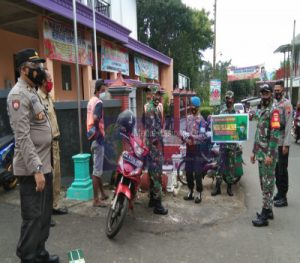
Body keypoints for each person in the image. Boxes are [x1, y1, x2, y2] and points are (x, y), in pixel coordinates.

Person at [7, 48, 59, 263]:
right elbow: (23, 137)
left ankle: (40, 252)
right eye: (36, 66)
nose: (40, 70)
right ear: (24, 69)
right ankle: (28, 256)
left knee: (44, 215)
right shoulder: (18, 95)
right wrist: (37, 169)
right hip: (31, 169)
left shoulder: (32, 92)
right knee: (32, 217)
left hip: (43, 165)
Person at [37, 70, 68, 227]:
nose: (51, 83)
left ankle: (54, 206)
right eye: (49, 80)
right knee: (47, 179)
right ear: (43, 81)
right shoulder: (38, 99)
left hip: (55, 142)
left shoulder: (49, 98)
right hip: (46, 146)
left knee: (56, 176)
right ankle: (45, 213)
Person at [250, 84, 280, 227]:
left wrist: (270, 155)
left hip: (268, 155)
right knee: (264, 183)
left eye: (266, 93)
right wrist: (254, 152)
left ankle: (264, 214)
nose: (263, 96)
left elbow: (275, 135)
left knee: (267, 184)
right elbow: (258, 134)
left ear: (271, 94)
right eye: (262, 93)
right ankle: (269, 211)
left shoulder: (274, 111)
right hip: (261, 154)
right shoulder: (262, 110)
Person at [211, 90, 241, 196]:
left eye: (230, 98)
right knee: (220, 165)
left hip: (232, 145)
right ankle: (217, 187)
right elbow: (217, 124)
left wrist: (240, 141)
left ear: (233, 99)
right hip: (223, 144)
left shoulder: (236, 113)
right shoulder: (222, 112)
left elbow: (239, 128)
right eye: (227, 98)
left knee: (231, 166)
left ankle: (229, 187)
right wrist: (212, 120)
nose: (229, 100)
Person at [144, 89, 168, 215]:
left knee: (152, 173)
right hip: (154, 147)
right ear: (152, 95)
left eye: (160, 95)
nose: (159, 97)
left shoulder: (153, 108)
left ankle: (152, 200)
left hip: (152, 146)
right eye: (157, 94)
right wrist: (158, 146)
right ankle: (158, 205)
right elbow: (153, 132)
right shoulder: (151, 110)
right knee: (157, 175)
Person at [86, 79, 108, 207]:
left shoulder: (91, 101)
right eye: (104, 89)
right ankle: (96, 200)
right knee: (96, 170)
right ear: (100, 89)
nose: (105, 91)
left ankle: (102, 194)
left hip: (91, 136)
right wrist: (99, 132)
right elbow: (95, 118)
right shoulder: (98, 102)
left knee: (97, 167)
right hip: (98, 138)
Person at [272, 80, 293, 207]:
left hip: (282, 143)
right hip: (274, 143)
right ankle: (279, 193)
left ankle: (284, 197)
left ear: (283, 91)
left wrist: (286, 144)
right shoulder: (274, 104)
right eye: (275, 91)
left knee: (282, 170)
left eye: (278, 91)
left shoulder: (287, 104)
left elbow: (289, 124)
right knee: (275, 170)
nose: (276, 93)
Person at [182, 96, 207, 203]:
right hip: (189, 148)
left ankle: (199, 192)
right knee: (188, 172)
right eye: (191, 106)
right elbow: (184, 131)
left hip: (197, 149)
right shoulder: (188, 118)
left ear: (198, 107)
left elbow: (203, 136)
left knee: (197, 172)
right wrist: (184, 136)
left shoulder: (202, 120)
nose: (192, 108)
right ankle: (191, 191)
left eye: (194, 106)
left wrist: (193, 137)